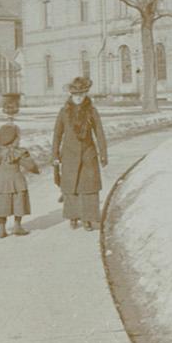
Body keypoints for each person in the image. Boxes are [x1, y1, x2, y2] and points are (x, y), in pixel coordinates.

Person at [52, 76, 110, 231]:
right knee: (71, 187)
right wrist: (55, 155)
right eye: (75, 94)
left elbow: (99, 132)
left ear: (85, 94)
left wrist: (103, 153)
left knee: (88, 187)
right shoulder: (64, 112)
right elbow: (57, 134)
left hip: (88, 155)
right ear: (71, 95)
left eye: (81, 94)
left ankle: (88, 219)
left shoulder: (91, 111)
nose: (78, 97)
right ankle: (73, 217)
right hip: (69, 155)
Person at [0, 122, 39, 239]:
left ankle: (2, 229)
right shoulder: (17, 152)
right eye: (18, 137)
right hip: (16, 181)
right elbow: (30, 165)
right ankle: (17, 226)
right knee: (18, 203)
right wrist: (35, 170)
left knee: (2, 205)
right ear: (14, 139)